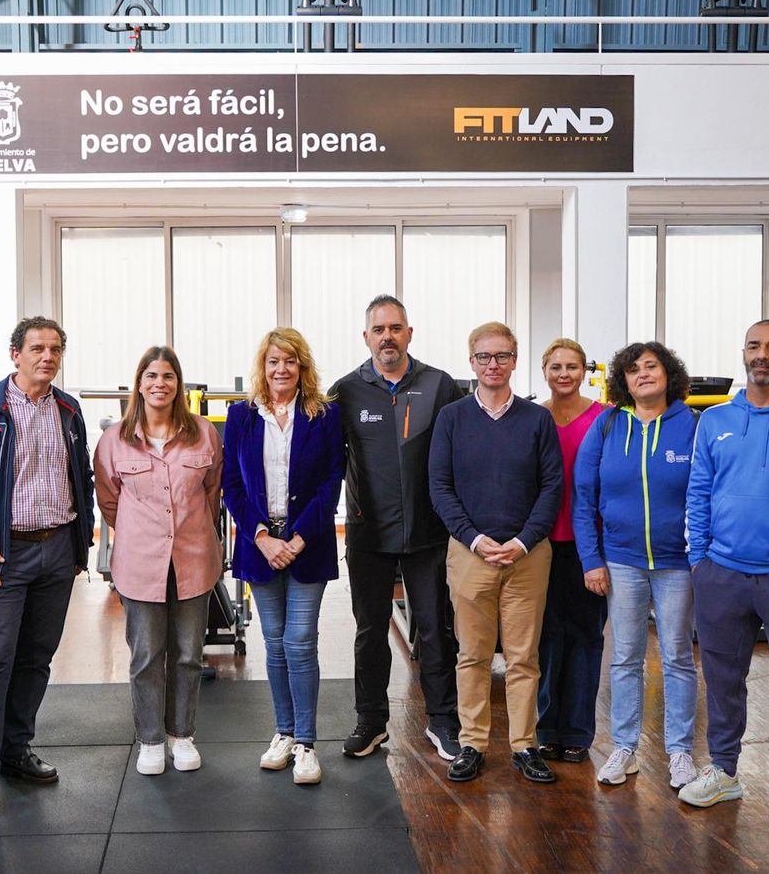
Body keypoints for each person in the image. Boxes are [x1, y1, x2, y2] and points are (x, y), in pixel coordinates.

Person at [0, 316, 94, 820]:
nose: (47, 357)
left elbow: (81, 478)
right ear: (15, 354)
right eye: (37, 348)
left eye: (55, 349)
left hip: (57, 549)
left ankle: (15, 748)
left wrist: (80, 543)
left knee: (36, 657)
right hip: (1, 554)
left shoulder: (68, 410)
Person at [678, 320, 769, 825]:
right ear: (743, 352)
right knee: (722, 678)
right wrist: (699, 558)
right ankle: (724, 770)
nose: (763, 355)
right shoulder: (714, 420)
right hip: (721, 573)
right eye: (755, 346)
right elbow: (699, 490)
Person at [428, 321, 562, 785]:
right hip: (470, 555)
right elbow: (440, 487)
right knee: (472, 655)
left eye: (502, 356)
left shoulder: (537, 420)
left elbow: (552, 487)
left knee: (524, 657)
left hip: (528, 556)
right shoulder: (452, 418)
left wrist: (523, 541)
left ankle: (524, 745)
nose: (493, 364)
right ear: (471, 362)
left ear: (515, 360)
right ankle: (473, 744)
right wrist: (474, 538)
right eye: (484, 357)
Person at [333, 295, 465, 761]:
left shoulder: (440, 385)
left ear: (409, 333)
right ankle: (371, 723)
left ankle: (443, 722)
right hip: (368, 535)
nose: (387, 337)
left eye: (395, 328)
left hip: (428, 534)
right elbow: (327, 463)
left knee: (435, 632)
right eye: (379, 329)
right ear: (365, 337)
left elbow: (461, 456)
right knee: (370, 632)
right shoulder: (345, 392)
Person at [574, 341, 700, 791]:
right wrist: (592, 559)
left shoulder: (692, 425)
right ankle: (624, 747)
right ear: (623, 381)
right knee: (625, 657)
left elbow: (707, 493)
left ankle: (680, 751)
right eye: (633, 369)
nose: (643, 374)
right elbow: (583, 497)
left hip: (678, 563)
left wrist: (701, 555)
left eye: (651, 366)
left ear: (669, 374)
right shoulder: (608, 425)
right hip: (622, 561)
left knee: (678, 657)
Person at [222, 328, 345, 786]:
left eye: (290, 361)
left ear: (302, 367)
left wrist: (298, 539)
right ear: (263, 366)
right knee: (274, 643)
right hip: (260, 546)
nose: (281, 369)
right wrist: (261, 536)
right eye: (274, 361)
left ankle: (307, 743)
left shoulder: (324, 414)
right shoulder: (242, 416)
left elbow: (333, 480)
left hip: (307, 544)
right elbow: (231, 484)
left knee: (299, 640)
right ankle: (285, 733)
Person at [94, 347, 224, 776]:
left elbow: (212, 492)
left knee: (188, 654)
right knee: (146, 656)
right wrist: (139, 532)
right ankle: (150, 740)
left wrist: (191, 531)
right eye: (151, 376)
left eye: (168, 376)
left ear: (178, 384)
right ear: (139, 383)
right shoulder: (114, 440)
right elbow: (108, 500)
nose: (159, 384)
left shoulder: (203, 433)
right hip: (139, 563)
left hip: (193, 560)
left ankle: (181, 735)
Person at [533, 338, 608, 766]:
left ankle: (578, 731)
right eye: (556, 367)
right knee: (546, 638)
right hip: (541, 543)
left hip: (588, 547)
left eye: (572, 367)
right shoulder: (533, 417)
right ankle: (546, 729)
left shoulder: (607, 418)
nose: (564, 374)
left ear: (584, 371)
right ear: (544, 371)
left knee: (585, 636)